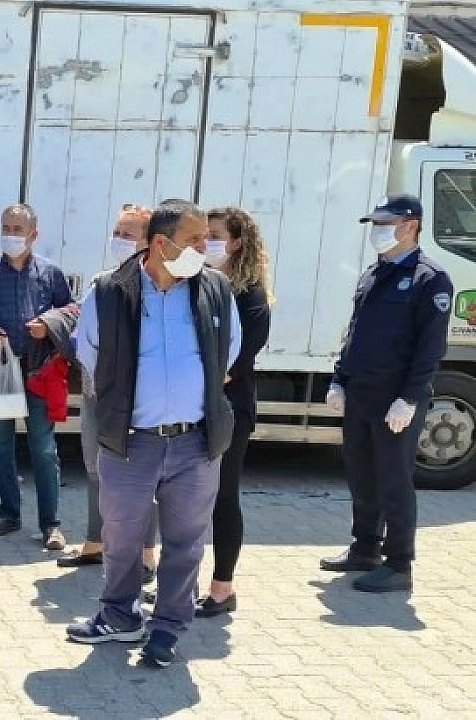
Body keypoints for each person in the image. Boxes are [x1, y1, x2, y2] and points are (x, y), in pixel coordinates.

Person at [68, 199, 240, 669]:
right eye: (194, 240)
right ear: (161, 244)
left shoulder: (215, 289)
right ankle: (119, 617)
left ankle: (167, 629)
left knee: (185, 543)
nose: (204, 247)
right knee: (121, 538)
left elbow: (228, 351)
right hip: (130, 441)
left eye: (207, 238)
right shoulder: (109, 291)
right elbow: (90, 354)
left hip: (195, 442)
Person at [322, 194, 451, 593]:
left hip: (395, 398)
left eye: (385, 223)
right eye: (375, 224)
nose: (377, 231)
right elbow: (355, 334)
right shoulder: (373, 273)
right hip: (361, 392)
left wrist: (409, 398)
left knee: (394, 480)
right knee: (362, 475)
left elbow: (430, 349)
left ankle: (399, 563)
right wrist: (339, 379)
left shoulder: (431, 279)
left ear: (411, 226)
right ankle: (365, 549)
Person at [0, 203, 73, 549]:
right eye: (6, 228)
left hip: (38, 370)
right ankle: (9, 514)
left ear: (33, 235)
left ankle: (51, 524)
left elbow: (70, 312)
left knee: (43, 447)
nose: (10, 235)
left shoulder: (50, 273)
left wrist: (47, 326)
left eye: (17, 230)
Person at [57, 204, 159, 578]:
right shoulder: (103, 282)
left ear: (149, 242)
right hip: (96, 393)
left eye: (127, 234)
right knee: (95, 468)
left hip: (137, 399)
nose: (118, 240)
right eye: (117, 232)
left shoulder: (158, 289)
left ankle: (146, 554)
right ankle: (95, 544)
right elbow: (83, 335)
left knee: (140, 475)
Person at [195, 207, 273, 617]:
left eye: (214, 235)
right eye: (203, 234)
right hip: (195, 403)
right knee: (187, 498)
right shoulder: (199, 283)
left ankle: (222, 588)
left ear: (237, 243)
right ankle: (182, 583)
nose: (206, 242)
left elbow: (241, 360)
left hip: (229, 407)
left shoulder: (250, 295)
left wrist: (205, 384)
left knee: (223, 496)